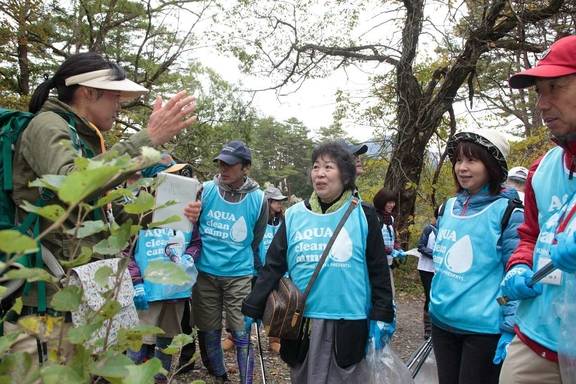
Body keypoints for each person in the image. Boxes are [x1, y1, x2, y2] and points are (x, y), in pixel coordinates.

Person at [6, 51, 196, 363]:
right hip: (49, 300)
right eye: (115, 96)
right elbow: (72, 185)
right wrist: (147, 139)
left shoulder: (87, 140)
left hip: (82, 294)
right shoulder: (47, 125)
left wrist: (172, 211)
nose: (119, 105)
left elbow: (112, 214)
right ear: (88, 92)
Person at [241, 141, 395, 384]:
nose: (320, 173)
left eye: (328, 167)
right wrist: (253, 305)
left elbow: (378, 270)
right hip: (302, 322)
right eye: (316, 166)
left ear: (345, 175)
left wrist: (383, 313)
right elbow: (273, 265)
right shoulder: (293, 216)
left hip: (348, 321)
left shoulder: (363, 215)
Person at [500, 35, 576, 384]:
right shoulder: (541, 170)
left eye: (556, 87)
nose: (542, 105)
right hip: (534, 339)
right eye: (538, 93)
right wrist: (518, 267)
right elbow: (529, 234)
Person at [429, 129, 523, 384]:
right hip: (442, 323)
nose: (462, 168)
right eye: (459, 160)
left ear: (492, 165)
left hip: (482, 331)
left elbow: (515, 271)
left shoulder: (508, 212)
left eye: (472, 160)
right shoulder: (447, 207)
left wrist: (509, 327)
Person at [183, 140, 267, 384]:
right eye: (221, 163)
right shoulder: (206, 189)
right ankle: (220, 375)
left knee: (241, 331)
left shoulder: (259, 199)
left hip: (238, 274)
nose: (223, 169)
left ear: (245, 168)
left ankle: (246, 380)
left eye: (230, 165)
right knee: (209, 329)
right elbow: (193, 226)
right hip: (205, 273)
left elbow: (257, 237)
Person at [372, 188, 406, 295]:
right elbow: (373, 241)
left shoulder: (390, 219)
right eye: (389, 202)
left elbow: (393, 238)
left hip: (388, 263)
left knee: (390, 293)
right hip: (376, 263)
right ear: (382, 202)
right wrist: (389, 250)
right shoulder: (374, 217)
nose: (392, 205)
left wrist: (398, 248)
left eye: (393, 202)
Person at [416, 206, 439, 340]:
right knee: (429, 296)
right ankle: (428, 328)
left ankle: (436, 326)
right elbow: (421, 246)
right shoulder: (429, 229)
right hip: (426, 268)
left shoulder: (445, 230)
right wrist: (435, 255)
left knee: (436, 297)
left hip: (439, 270)